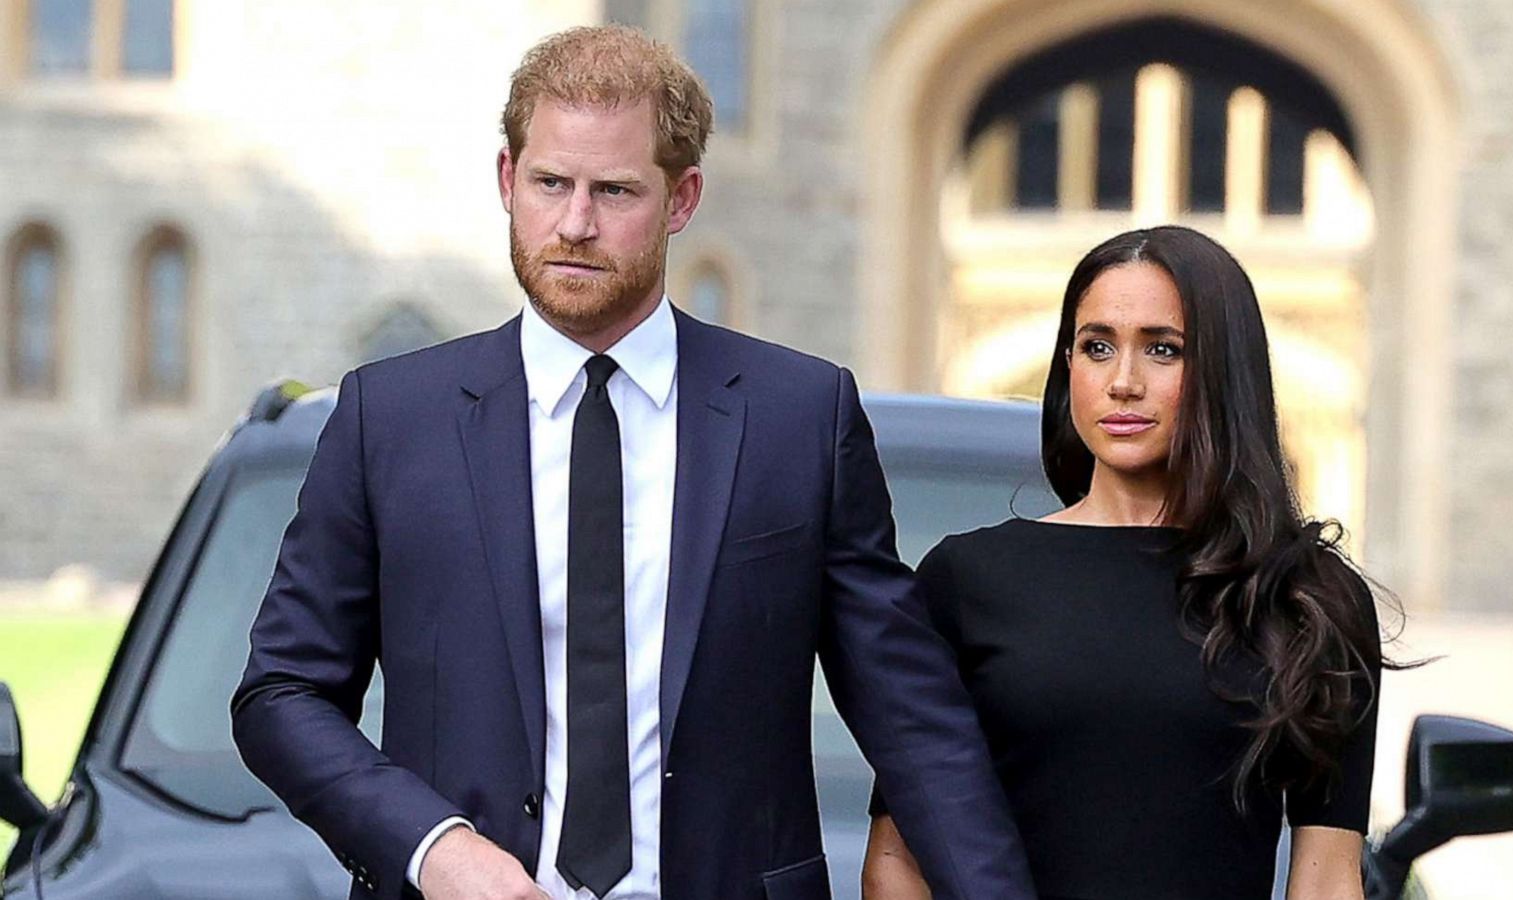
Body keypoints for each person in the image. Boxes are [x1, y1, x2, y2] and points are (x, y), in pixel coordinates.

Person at [230, 24, 1033, 900]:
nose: (574, 224)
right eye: (549, 184)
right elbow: (282, 694)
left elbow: (913, 721)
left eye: (614, 191)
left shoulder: (798, 418)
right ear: (508, 180)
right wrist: (437, 849)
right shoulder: (389, 419)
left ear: (682, 198)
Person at [862, 226, 1388, 900]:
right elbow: (896, 862)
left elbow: (1327, 881)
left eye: (1162, 350)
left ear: (1225, 372)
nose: (1123, 382)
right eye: (1097, 346)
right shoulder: (967, 580)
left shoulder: (1309, 598)